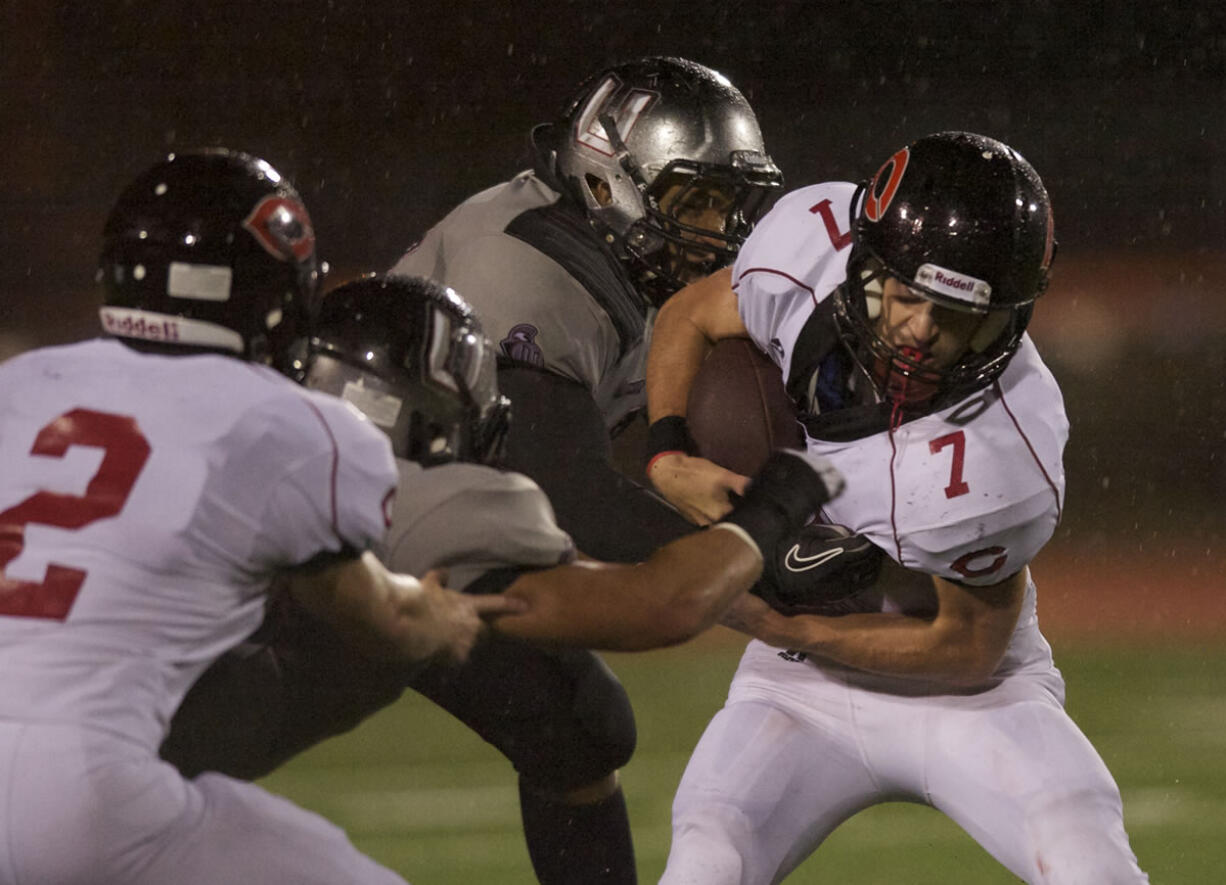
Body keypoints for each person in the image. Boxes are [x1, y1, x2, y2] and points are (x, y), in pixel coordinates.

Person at [161, 273, 847, 884]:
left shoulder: (162, 427)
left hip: (110, 740)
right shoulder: (399, 496)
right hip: (114, 794)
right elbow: (661, 605)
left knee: (574, 716)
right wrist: (777, 505)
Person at [0, 150, 523, 885]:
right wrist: (439, 614)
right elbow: (378, 620)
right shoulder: (287, 422)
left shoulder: (20, 384)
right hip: (82, 794)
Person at [643, 131, 1149, 883]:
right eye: (907, 295)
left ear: (1006, 321)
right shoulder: (806, 256)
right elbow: (690, 313)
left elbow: (966, 646)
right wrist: (667, 453)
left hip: (971, 691)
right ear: (865, 261)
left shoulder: (1008, 449)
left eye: (956, 317)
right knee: (707, 853)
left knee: (1088, 860)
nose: (919, 331)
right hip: (799, 681)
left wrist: (783, 622)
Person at [386, 55, 782, 881]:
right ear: (609, 181)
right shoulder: (530, 268)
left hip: (423, 513)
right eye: (696, 200)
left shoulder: (604, 261)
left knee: (580, 728)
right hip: (336, 531)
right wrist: (766, 550)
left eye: (727, 205)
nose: (716, 231)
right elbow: (568, 500)